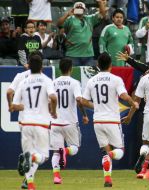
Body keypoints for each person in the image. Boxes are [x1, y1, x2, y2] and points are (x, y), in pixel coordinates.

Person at [82, 52, 138, 187]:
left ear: (97, 65)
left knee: (106, 151)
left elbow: (84, 101)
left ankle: (107, 179)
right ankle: (109, 158)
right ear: (110, 65)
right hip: (112, 120)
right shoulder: (116, 79)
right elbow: (124, 96)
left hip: (97, 121)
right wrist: (133, 103)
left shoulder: (92, 80)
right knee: (119, 152)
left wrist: (95, 106)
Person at [9, 54, 57, 190]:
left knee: (29, 153)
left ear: (28, 65)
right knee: (43, 156)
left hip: (25, 123)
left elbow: (14, 105)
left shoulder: (23, 82)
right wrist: (53, 111)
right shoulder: (46, 80)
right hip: (41, 123)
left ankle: (29, 184)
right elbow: (53, 97)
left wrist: (21, 107)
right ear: (42, 66)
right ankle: (30, 159)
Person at [50, 58, 89, 185]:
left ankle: (56, 177)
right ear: (71, 69)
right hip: (70, 122)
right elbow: (79, 99)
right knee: (75, 148)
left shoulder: (53, 83)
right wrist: (84, 115)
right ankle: (65, 151)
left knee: (56, 152)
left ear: (60, 68)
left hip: (55, 122)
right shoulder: (74, 83)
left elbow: (49, 101)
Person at [57, 1, 107, 66]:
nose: (79, 9)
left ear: (84, 10)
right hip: (72, 54)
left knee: (88, 75)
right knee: (74, 75)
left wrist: (100, 3)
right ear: (74, 9)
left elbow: (102, 14)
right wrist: (67, 14)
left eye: (81, 8)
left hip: (88, 55)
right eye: (77, 8)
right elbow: (59, 24)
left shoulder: (90, 19)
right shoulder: (69, 19)